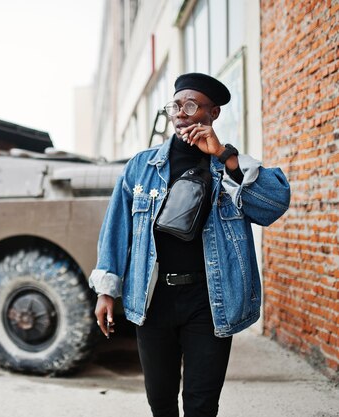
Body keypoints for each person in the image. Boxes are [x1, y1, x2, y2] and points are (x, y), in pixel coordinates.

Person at [89, 72, 290, 417]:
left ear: (213, 114)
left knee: (201, 404)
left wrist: (225, 157)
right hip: (153, 302)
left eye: (192, 105)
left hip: (209, 303)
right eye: (176, 105)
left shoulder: (230, 167)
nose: (181, 112)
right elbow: (116, 228)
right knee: (161, 402)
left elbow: (273, 205)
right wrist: (106, 290)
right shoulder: (142, 166)